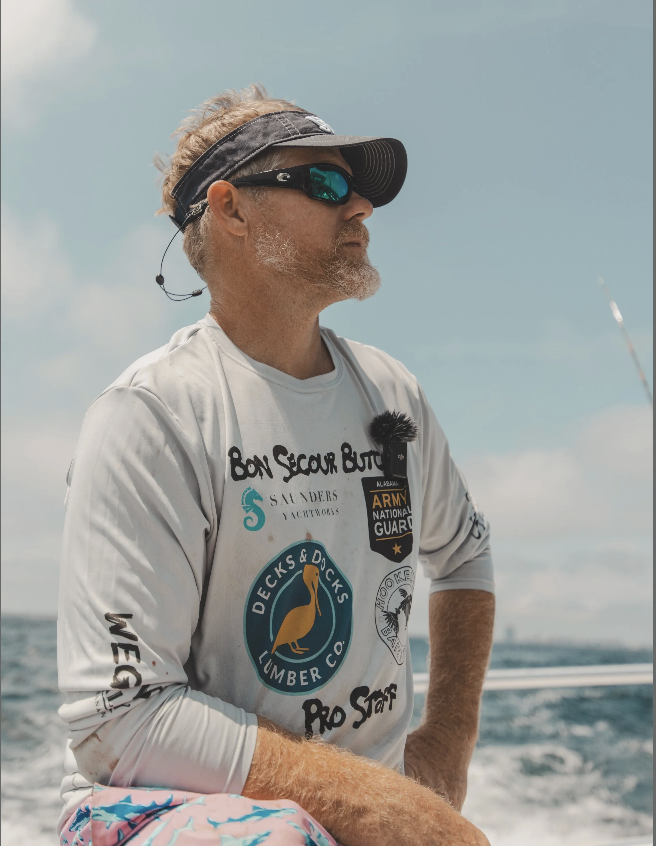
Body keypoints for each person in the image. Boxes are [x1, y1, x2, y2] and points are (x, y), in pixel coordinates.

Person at [57, 86, 495, 846]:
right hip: (161, 806)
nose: (360, 207)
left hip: (361, 807)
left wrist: (446, 751)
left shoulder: (392, 395)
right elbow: (121, 721)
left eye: (357, 189)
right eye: (325, 183)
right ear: (230, 209)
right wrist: (387, 808)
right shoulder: (151, 416)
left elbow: (463, 558)